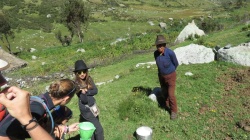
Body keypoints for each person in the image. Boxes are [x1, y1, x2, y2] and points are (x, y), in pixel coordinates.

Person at [0, 78, 80, 140]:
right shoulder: (39, 108)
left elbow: (38, 126)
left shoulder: (41, 100)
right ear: (66, 98)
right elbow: (6, 129)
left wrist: (66, 129)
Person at [73, 60, 104, 140]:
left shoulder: (89, 79)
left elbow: (95, 91)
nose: (82, 74)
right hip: (87, 109)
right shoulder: (76, 84)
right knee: (99, 130)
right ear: (77, 73)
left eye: (84, 71)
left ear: (86, 71)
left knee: (92, 128)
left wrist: (86, 91)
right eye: (79, 72)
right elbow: (84, 101)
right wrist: (83, 93)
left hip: (93, 107)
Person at [153, 35, 179, 120]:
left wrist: (170, 72)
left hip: (171, 76)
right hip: (161, 76)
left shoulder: (170, 53)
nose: (159, 47)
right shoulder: (155, 54)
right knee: (164, 92)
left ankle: (173, 111)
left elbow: (176, 63)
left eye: (161, 45)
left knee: (171, 95)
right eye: (157, 45)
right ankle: (166, 104)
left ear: (164, 45)